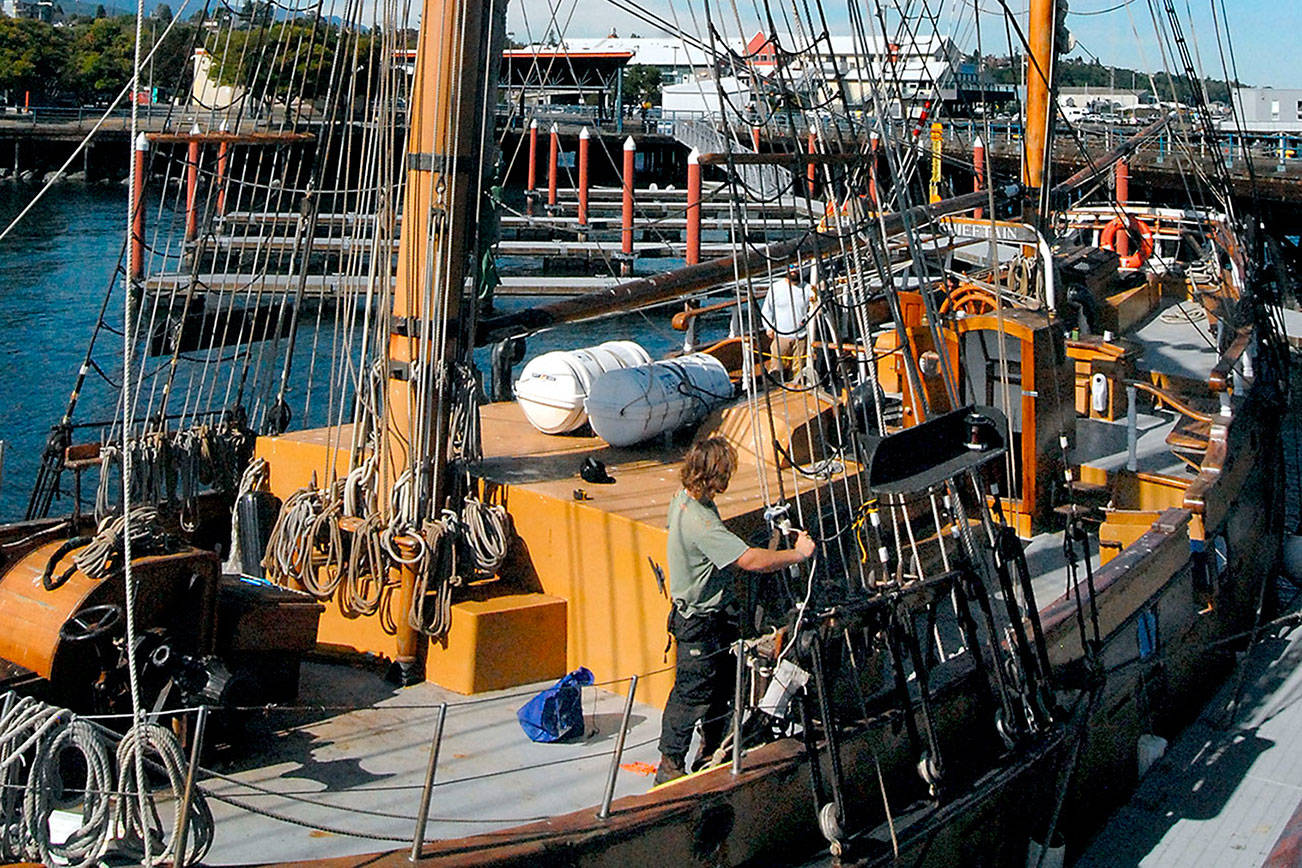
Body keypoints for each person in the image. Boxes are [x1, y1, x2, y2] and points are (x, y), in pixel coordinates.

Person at [655, 437, 816, 785]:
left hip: (714, 618)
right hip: (698, 622)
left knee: (723, 687)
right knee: (692, 692)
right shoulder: (700, 521)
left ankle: (710, 752)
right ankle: (669, 766)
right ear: (714, 476)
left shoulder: (684, 499)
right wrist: (798, 554)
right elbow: (749, 560)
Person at [759, 263, 815, 378]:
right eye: (791, 267)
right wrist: (768, 328)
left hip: (801, 337)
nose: (794, 270)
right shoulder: (776, 288)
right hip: (781, 336)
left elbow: (814, 308)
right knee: (776, 370)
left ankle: (797, 388)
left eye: (797, 267)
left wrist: (807, 318)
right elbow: (766, 311)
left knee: (799, 372)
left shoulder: (808, 289)